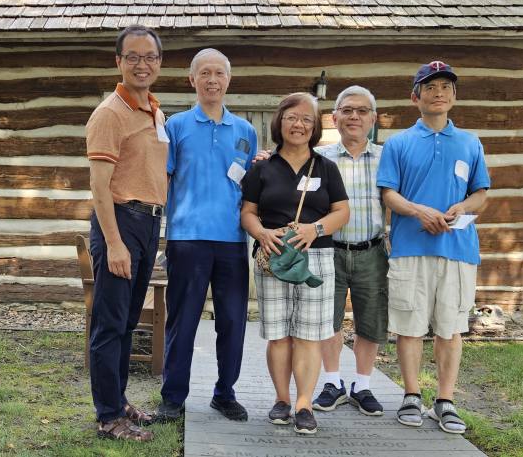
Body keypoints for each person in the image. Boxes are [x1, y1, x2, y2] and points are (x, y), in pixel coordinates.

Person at [376, 61, 490, 435]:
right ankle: (411, 395)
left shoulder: (470, 143)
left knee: (450, 327)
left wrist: (463, 206)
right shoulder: (399, 143)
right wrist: (418, 211)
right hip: (410, 248)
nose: (438, 92)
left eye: (446, 86)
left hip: (458, 250)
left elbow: (481, 194)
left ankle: (445, 400)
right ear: (416, 96)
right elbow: (388, 193)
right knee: (409, 326)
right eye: (430, 87)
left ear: (454, 96)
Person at [156, 49, 257, 423]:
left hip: (232, 240)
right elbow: (164, 180)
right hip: (187, 238)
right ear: (192, 80)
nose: (212, 79)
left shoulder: (246, 131)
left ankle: (224, 392)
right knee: (182, 320)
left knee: (232, 320)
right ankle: (173, 397)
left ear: (228, 80)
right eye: (205, 73)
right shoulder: (176, 126)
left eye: (219, 73)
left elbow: (251, 187)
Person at [240, 92, 350, 435]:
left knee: (308, 336)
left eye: (306, 119)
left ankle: (304, 403)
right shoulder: (261, 168)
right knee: (278, 335)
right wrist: (261, 234)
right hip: (274, 258)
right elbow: (247, 212)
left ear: (315, 127)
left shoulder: (327, 167)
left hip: (316, 258)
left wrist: (314, 229)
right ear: (280, 122)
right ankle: (281, 399)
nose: (298, 124)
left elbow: (342, 211)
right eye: (292, 117)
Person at [85, 25, 168, 442]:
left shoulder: (156, 111)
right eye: (132, 56)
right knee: (110, 323)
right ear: (118, 62)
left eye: (149, 56)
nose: (142, 64)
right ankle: (107, 416)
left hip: (148, 223)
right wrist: (114, 242)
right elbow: (100, 186)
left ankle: (119, 402)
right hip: (119, 220)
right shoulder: (109, 114)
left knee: (127, 321)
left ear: (159, 63)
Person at [310, 86, 389, 417]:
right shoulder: (320, 158)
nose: (354, 116)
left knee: (370, 319)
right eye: (347, 110)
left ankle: (362, 384)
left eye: (362, 111)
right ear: (334, 117)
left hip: (371, 250)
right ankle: (332, 382)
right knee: (328, 319)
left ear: (373, 118)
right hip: (330, 250)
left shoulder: (388, 157)